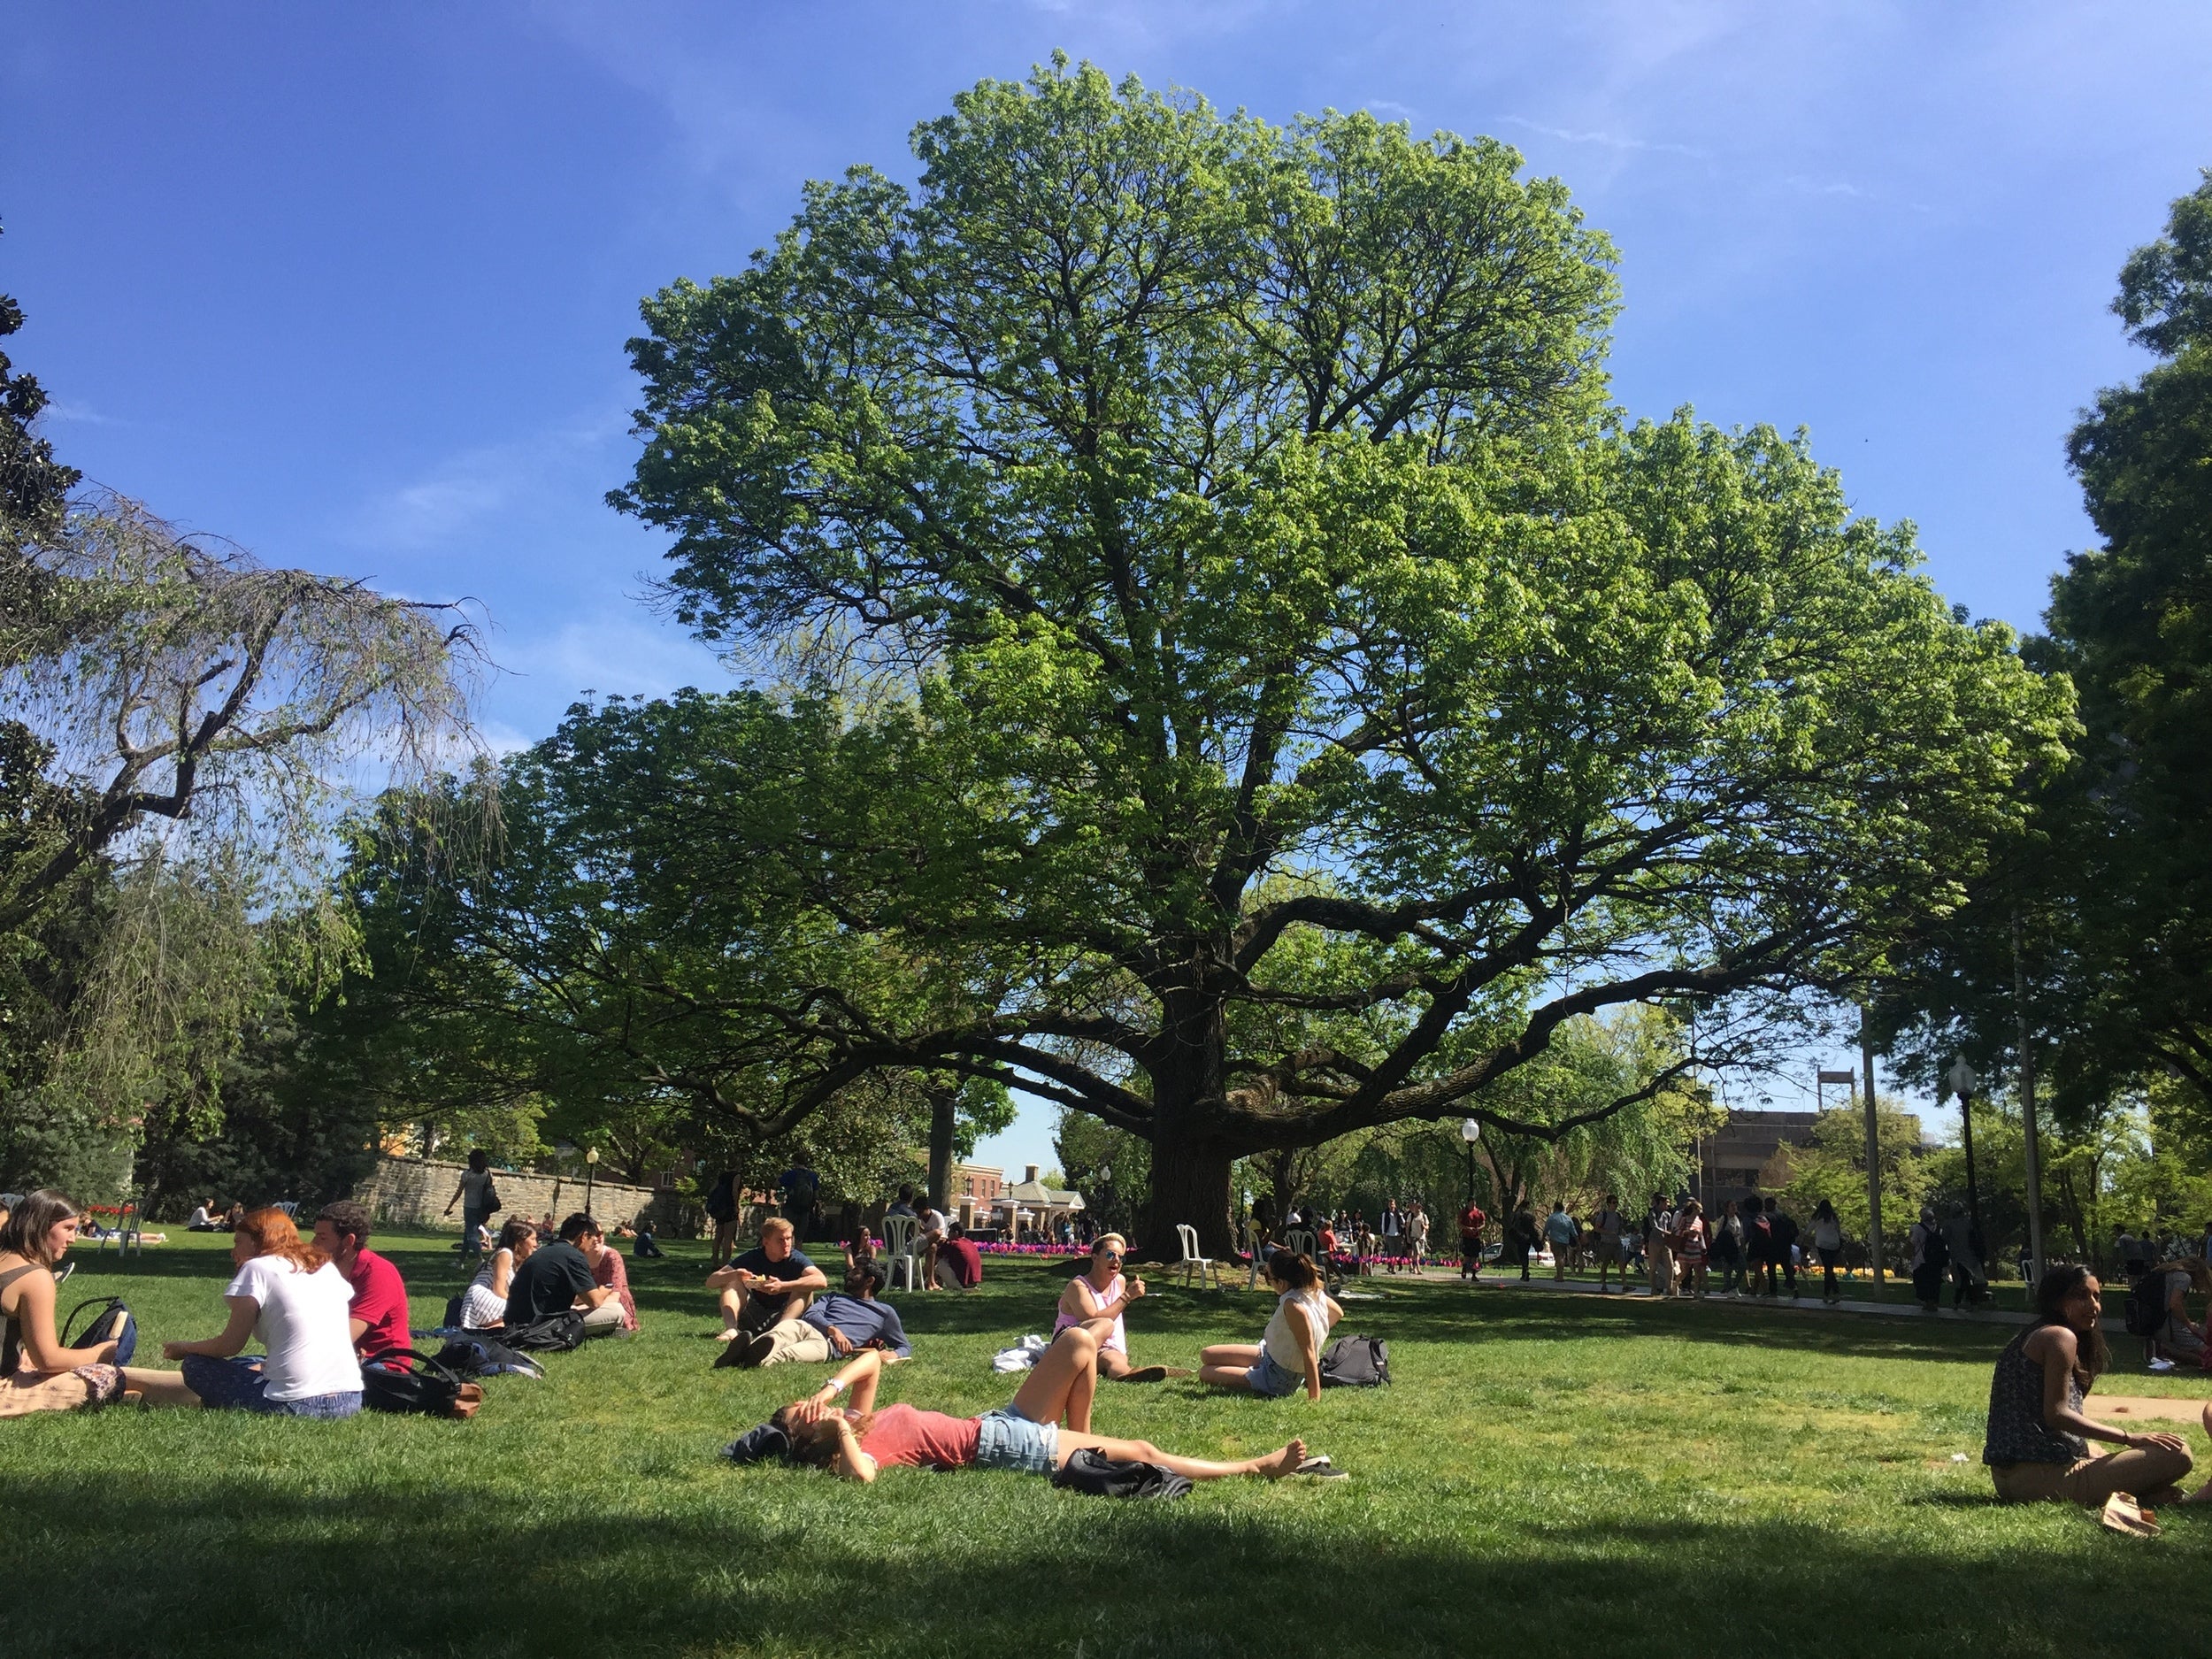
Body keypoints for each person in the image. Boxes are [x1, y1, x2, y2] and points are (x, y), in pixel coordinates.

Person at [769, 1331, 1313, 1485]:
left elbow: (870, 1363)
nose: (807, 1402)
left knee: (1078, 1343)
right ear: (805, 1436)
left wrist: (833, 1393)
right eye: (801, 1410)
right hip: (1001, 1447)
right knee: (1146, 1452)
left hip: (998, 1422)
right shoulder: (850, 1450)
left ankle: (1086, 1441)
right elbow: (862, 1477)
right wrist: (838, 1427)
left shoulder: (860, 1422)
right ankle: (1255, 1467)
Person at [1982, 1262, 2193, 1506]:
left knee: (2094, 1448)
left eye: (2096, 1296)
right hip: (2043, 1479)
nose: (2093, 1305)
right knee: (2177, 1453)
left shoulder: (2033, 1334)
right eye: (2081, 1296)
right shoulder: (2059, 1337)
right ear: (2056, 1301)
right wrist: (2129, 1437)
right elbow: (2057, 1415)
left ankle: (2143, 1495)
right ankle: (2142, 1495)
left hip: (2008, 1478)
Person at [1, 1189, 196, 1414]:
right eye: (67, 1229)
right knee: (107, 1375)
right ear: (41, 1225)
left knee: (119, 1376)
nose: (73, 1238)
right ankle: (192, 1391)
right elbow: (48, 1360)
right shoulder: (34, 1277)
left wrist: (19, 1355)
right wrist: (98, 1354)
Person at [164, 1206, 365, 1416]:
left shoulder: (257, 1268)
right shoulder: (324, 1266)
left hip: (297, 1402)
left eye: (237, 1242)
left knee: (196, 1365)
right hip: (349, 1400)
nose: (233, 1251)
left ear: (255, 1241)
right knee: (250, 1361)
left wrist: (185, 1348)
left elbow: (230, 1345)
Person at [1199, 1250, 1341, 1401]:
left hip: (1278, 1378)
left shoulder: (1293, 1305)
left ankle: (1258, 1377)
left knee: (1205, 1373)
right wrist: (1314, 1330)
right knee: (1207, 1354)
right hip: (1269, 1354)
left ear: (1281, 1282)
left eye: (1268, 1277)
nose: (1268, 1282)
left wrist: (1314, 1398)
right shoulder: (1314, 1293)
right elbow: (1338, 1313)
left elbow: (1309, 1353)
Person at [724, 1261, 914, 1369]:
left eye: (856, 1272)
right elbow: (811, 1314)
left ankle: (742, 1359)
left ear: (869, 1281)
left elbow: (904, 1345)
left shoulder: (884, 1313)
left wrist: (893, 1353)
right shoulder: (833, 1297)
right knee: (783, 1330)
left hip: (827, 1347)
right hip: (809, 1328)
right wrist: (833, 1329)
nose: (849, 1275)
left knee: (789, 1354)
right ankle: (747, 1351)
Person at [1051, 1233, 1177, 1383]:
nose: (1116, 1260)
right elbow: (1092, 1319)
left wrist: (1116, 1350)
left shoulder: (1119, 1281)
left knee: (1115, 1359)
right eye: (1110, 1254)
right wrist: (1127, 1297)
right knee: (1105, 1323)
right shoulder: (1078, 1286)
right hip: (1068, 1345)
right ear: (1094, 1258)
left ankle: (1130, 1375)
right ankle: (1068, 1366)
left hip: (1101, 1347)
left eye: (1121, 1257)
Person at [310, 1201, 411, 1365]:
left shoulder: (379, 1273)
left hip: (381, 1367)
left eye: (322, 1237)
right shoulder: (326, 1271)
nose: (313, 1244)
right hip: (342, 1359)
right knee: (252, 1364)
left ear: (348, 1241)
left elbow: (340, 1339)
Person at [506, 1212, 627, 1337]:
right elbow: (595, 1302)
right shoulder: (574, 1257)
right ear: (584, 1236)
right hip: (540, 1325)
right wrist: (603, 1290)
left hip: (515, 1320)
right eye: (592, 1238)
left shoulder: (544, 1251)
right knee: (616, 1311)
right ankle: (603, 1331)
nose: (593, 1243)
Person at [708, 1216, 827, 1340]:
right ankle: (731, 1330)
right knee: (731, 1282)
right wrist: (734, 1274)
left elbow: (821, 1280)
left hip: (786, 1316)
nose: (786, 1244)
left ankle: (779, 1333)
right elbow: (711, 1282)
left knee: (805, 1286)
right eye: (781, 1240)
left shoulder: (796, 1259)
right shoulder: (752, 1257)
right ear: (766, 1242)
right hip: (753, 1314)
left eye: (788, 1239)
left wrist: (783, 1286)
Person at [461, 1217, 538, 1328]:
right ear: (520, 1241)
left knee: (525, 1316)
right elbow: (498, 1290)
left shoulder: (517, 1259)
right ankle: (485, 1330)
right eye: (533, 1239)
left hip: (491, 1298)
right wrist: (519, 1304)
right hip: (482, 1297)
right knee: (525, 1313)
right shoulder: (505, 1254)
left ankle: (485, 1330)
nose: (536, 1244)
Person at [576, 1215, 638, 1333]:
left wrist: (583, 1307)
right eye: (591, 1235)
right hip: (587, 1300)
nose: (596, 1238)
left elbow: (614, 1295)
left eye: (599, 1234)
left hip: (612, 1303)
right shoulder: (578, 1258)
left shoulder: (611, 1256)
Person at [2147, 1256, 2212, 1365]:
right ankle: (2163, 1350)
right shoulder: (2184, 1277)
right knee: (2204, 1351)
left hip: (2157, 1320)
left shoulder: (2168, 1273)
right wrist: (2189, 1324)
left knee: (2201, 1351)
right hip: (2170, 1323)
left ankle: (2162, 1350)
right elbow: (2175, 1304)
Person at [441, 1149, 501, 1259]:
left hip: (469, 1206)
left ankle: (480, 1259)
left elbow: (458, 1192)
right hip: (482, 1208)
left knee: (472, 1235)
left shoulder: (467, 1174)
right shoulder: (487, 1174)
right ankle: (461, 1261)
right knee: (468, 1234)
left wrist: (449, 1207)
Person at [1942, 1203, 1985, 1309]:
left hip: (1958, 1256)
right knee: (1970, 1279)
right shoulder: (1969, 1223)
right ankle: (1968, 1301)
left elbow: (1944, 1240)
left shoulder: (1949, 1225)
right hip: (1971, 1255)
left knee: (1963, 1280)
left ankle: (1964, 1301)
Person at [1909, 1205, 1949, 1312]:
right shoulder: (1939, 1228)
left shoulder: (1917, 1228)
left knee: (1922, 1281)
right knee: (1935, 1282)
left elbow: (1913, 1242)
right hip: (1937, 1260)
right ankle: (1934, 1302)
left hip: (1922, 1259)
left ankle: (1927, 1302)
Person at [1671, 1199, 1709, 1298]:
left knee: (1697, 1270)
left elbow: (1701, 1236)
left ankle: (1696, 1291)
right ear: (1694, 1209)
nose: (1700, 1211)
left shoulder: (1700, 1222)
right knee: (1685, 1271)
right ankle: (1675, 1284)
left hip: (1695, 1247)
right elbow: (1678, 1231)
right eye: (1699, 1209)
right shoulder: (1685, 1219)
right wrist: (1687, 1232)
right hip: (1686, 1247)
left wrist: (1703, 1247)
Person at [777, 1158, 820, 1244]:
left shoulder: (791, 1174)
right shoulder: (812, 1176)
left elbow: (776, 1184)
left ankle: (787, 1254)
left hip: (791, 1207)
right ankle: (798, 1255)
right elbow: (816, 1194)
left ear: (795, 1162)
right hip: (805, 1209)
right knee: (800, 1238)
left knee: (787, 1233)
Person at [1810, 1200, 1845, 1302]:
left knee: (1828, 1270)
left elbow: (1809, 1229)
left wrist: (1802, 1239)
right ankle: (1829, 1293)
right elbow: (1838, 1231)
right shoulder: (1833, 1217)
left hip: (1822, 1245)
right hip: (1834, 1244)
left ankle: (1833, 1293)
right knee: (1829, 1269)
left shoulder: (1817, 1217)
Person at [704, 1170, 740, 1269]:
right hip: (729, 1208)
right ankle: (725, 1264)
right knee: (728, 1237)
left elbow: (711, 1190)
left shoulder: (722, 1175)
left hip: (720, 1209)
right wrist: (736, 1205)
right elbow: (734, 1190)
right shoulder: (736, 1175)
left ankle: (715, 1263)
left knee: (718, 1236)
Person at [1712, 1199, 1747, 1298]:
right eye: (1732, 1206)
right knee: (1727, 1269)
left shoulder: (1738, 1218)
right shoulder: (1724, 1218)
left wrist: (1742, 1245)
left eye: (1735, 1205)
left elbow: (1741, 1233)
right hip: (1726, 1246)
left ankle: (1734, 1286)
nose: (1734, 1207)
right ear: (1727, 1208)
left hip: (1736, 1246)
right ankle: (1728, 1289)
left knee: (1743, 1266)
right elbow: (1719, 1232)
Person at [934, 1220, 984, 1291]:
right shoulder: (970, 1243)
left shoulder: (952, 1244)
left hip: (961, 1284)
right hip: (973, 1283)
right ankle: (937, 1281)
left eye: (949, 1232)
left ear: (956, 1233)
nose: (947, 1234)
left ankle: (930, 1282)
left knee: (940, 1263)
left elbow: (935, 1259)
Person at [1765, 1198, 1800, 1298]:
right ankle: (1794, 1288)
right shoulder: (1784, 1216)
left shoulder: (1768, 1217)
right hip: (1785, 1245)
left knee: (1771, 1268)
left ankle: (1773, 1291)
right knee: (1787, 1268)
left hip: (1772, 1245)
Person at [1643, 1194, 1676, 1298]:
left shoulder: (1667, 1215)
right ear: (1660, 1203)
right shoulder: (1652, 1213)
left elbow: (1669, 1228)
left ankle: (1669, 1287)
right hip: (1654, 1242)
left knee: (1670, 1265)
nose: (1668, 1205)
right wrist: (1667, 1233)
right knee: (1653, 1267)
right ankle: (1653, 1288)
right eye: (1666, 1202)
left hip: (1666, 1243)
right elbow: (1655, 1227)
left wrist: (1671, 1234)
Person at [1591, 1195, 1625, 1293]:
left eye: (1617, 1203)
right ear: (1609, 1204)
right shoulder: (1603, 1215)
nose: (1616, 1205)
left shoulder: (1618, 1216)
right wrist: (1608, 1232)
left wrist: (1621, 1232)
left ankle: (1625, 1285)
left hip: (1617, 1243)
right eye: (1614, 1202)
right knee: (1605, 1264)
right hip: (1606, 1243)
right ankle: (1604, 1284)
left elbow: (1619, 1228)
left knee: (1622, 1263)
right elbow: (1597, 1228)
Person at [1543, 1202, 1576, 1282]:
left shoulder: (1552, 1218)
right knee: (1562, 1257)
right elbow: (1573, 1231)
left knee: (1558, 1258)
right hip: (1565, 1241)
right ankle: (1559, 1274)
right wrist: (1577, 1241)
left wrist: (1542, 1238)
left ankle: (1560, 1276)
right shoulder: (1568, 1218)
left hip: (1555, 1240)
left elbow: (1546, 1229)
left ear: (1556, 1208)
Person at [1457, 1196, 1486, 1281]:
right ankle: (1464, 1269)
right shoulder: (1464, 1212)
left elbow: (1483, 1223)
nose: (1473, 1204)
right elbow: (1459, 1224)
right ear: (1468, 1203)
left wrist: (1479, 1228)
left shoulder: (1479, 1212)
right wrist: (1467, 1228)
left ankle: (1474, 1274)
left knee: (1475, 1257)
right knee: (1467, 1256)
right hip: (1467, 1237)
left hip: (1476, 1237)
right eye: (1471, 1203)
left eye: (1474, 1203)